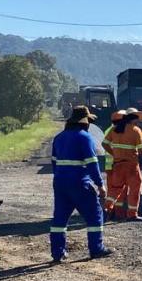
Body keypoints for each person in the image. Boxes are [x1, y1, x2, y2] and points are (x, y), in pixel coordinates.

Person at [51, 106, 113, 262]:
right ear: (84, 123)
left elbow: (54, 164)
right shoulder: (85, 138)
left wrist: (61, 177)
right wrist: (100, 185)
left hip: (60, 183)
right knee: (95, 215)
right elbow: (92, 164)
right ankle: (96, 249)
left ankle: (57, 253)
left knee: (59, 219)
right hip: (80, 183)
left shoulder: (58, 138)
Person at [102, 108, 142, 221]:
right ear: (132, 119)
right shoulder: (135, 130)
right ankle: (132, 214)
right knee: (135, 189)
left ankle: (106, 209)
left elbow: (104, 144)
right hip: (131, 166)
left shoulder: (114, 129)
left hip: (118, 165)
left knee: (115, 189)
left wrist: (114, 153)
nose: (138, 121)